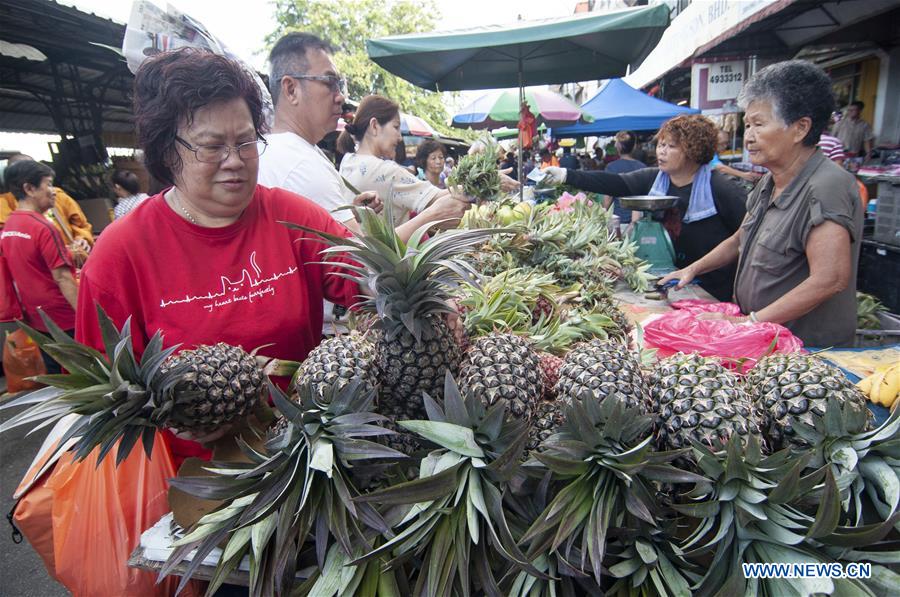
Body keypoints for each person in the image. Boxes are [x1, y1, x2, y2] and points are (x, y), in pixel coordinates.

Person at [660, 61, 862, 347]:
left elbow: (830, 278)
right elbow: (739, 239)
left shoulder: (826, 185)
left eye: (759, 124)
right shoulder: (769, 183)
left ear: (800, 128)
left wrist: (750, 322)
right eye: (747, 125)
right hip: (762, 342)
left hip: (807, 353)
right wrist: (692, 270)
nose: (749, 137)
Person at [543, 114, 747, 301]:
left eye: (671, 146)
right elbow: (616, 183)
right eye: (661, 144)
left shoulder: (719, 187)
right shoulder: (655, 179)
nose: (661, 151)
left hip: (714, 290)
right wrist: (566, 175)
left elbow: (745, 235)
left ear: (693, 150)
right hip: (672, 286)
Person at [337, 94, 470, 227]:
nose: (400, 137)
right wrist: (476, 186)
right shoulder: (384, 170)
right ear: (375, 126)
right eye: (396, 127)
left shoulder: (348, 160)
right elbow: (436, 198)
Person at [0, 160, 78, 374]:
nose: (53, 192)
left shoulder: (9, 226)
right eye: (48, 184)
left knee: (57, 374)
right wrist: (86, 315)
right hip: (64, 319)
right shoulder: (43, 227)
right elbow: (63, 278)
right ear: (29, 188)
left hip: (36, 318)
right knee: (84, 373)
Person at [1, 153, 93, 265]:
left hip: (72, 260)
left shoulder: (56, 195)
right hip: (40, 264)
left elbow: (81, 224)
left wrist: (81, 238)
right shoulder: (4, 203)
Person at [602, 131, 646, 225]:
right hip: (639, 222)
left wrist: (602, 215)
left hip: (618, 221)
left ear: (618, 147)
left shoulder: (612, 167)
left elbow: (608, 196)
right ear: (634, 147)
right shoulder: (642, 167)